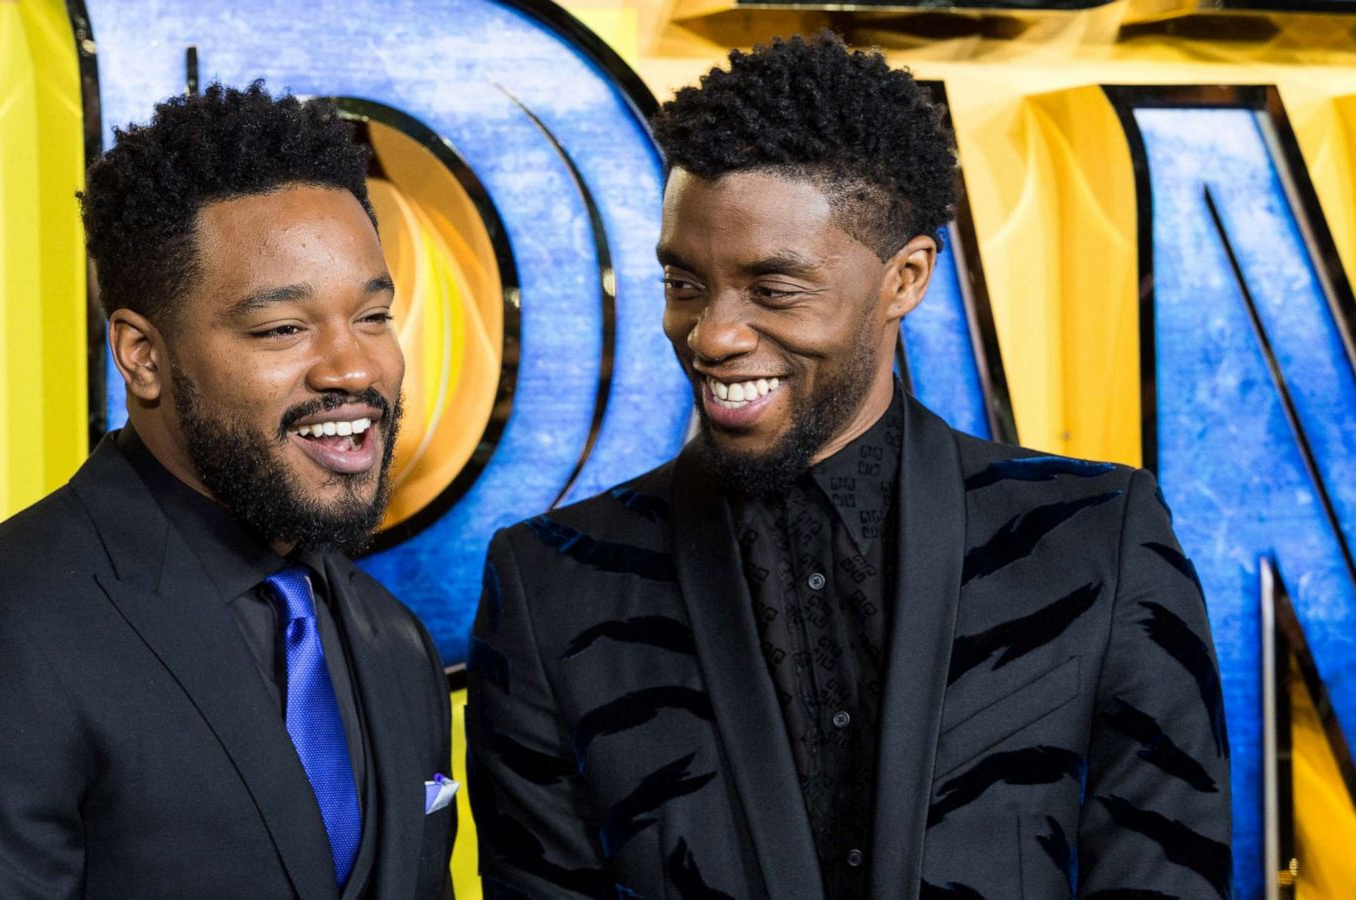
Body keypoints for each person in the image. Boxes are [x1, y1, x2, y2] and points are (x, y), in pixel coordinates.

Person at [466, 34, 1230, 900]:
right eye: (684, 284)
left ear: (905, 279)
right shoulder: (549, 581)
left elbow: (1166, 873)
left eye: (774, 288)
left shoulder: (1099, 538)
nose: (712, 334)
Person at [0, 83, 456, 899]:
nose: (353, 368)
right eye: (283, 329)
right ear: (142, 355)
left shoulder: (394, 642)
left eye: (373, 316)